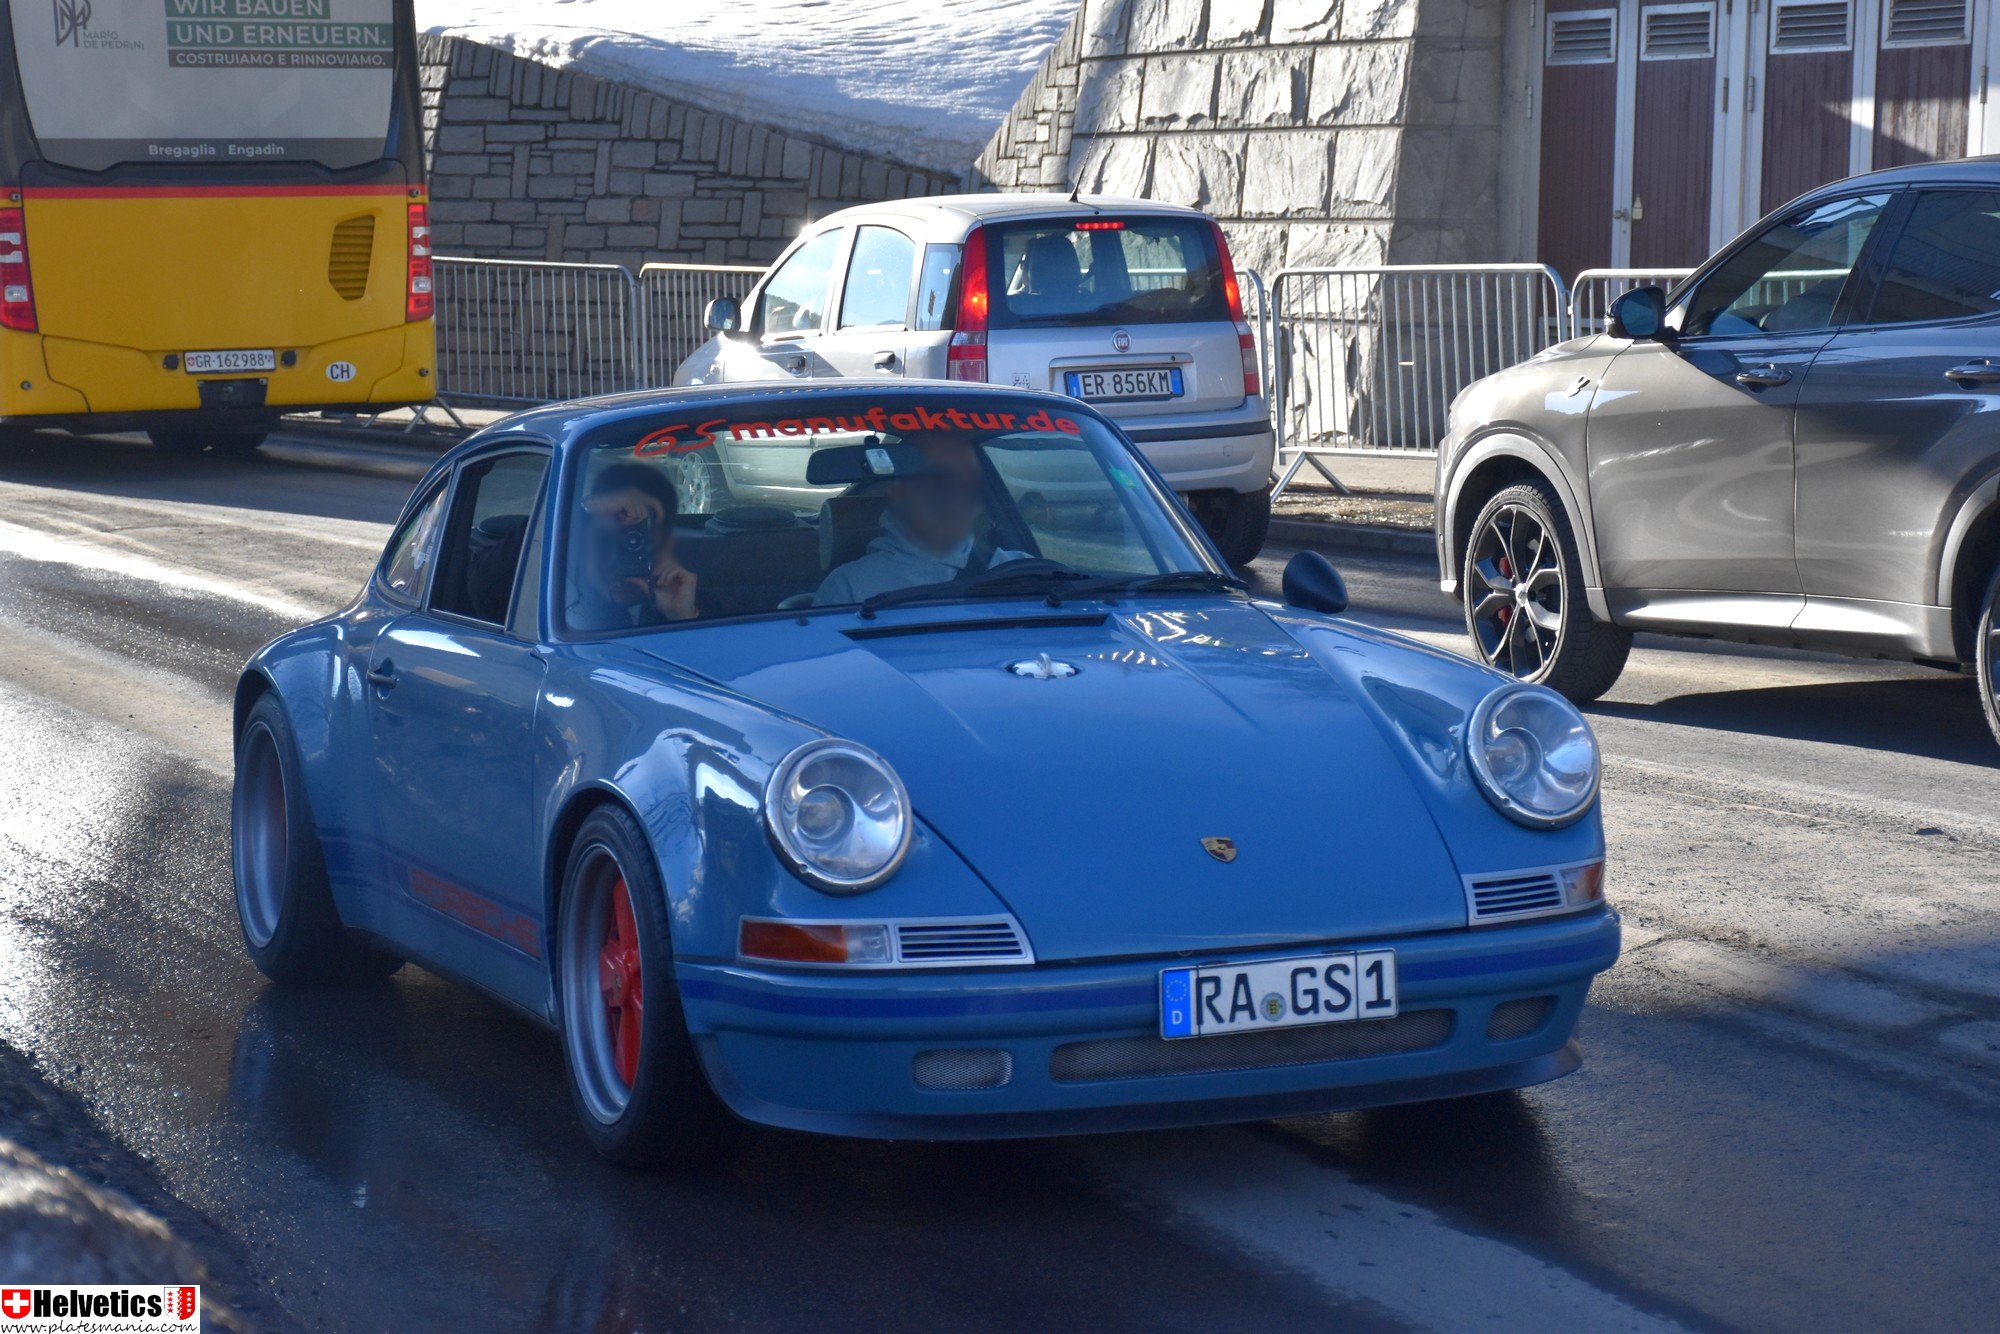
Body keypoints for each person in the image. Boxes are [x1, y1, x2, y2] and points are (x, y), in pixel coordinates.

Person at [813, 436, 1026, 606]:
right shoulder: (848, 586)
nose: (955, 496)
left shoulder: (1020, 570)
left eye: (965, 482)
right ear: (899, 495)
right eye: (938, 481)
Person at [569, 463, 699, 629]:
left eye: (639, 540)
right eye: (608, 542)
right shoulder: (563, 604)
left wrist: (681, 617)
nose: (621, 556)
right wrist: (591, 506)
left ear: (668, 542)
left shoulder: (694, 603)